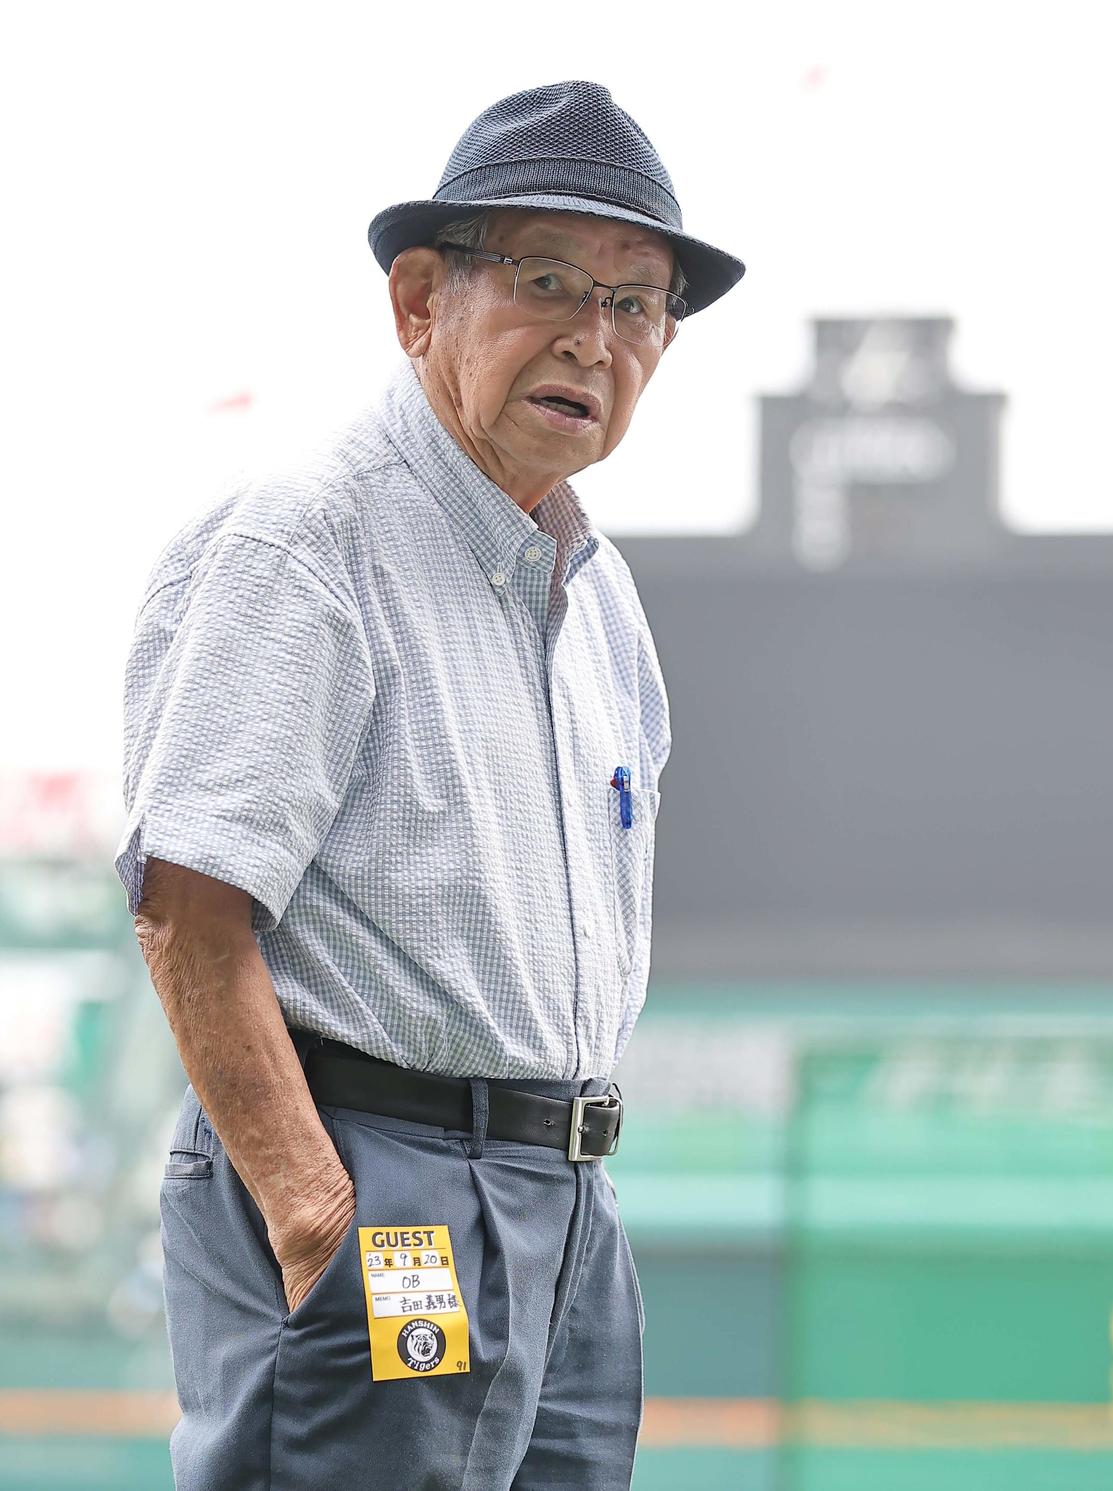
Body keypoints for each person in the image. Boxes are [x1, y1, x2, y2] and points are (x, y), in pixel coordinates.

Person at [115, 79, 744, 1490]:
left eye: (641, 307)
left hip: (567, 1196)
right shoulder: (305, 543)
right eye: (548, 282)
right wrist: (310, 1208)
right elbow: (187, 910)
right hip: (382, 1184)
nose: (598, 337)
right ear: (419, 301)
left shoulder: (604, 603)